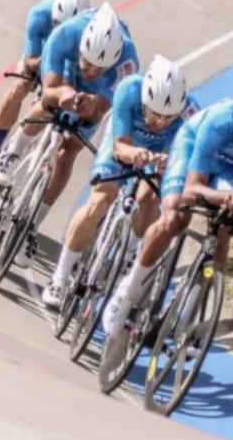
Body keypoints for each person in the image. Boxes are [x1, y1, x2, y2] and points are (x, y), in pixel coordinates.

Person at [101, 76, 233, 338]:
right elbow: (192, 190)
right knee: (175, 216)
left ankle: (187, 318)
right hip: (193, 147)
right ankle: (127, 292)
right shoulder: (218, 123)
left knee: (224, 230)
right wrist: (224, 198)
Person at [42, 55, 201, 307]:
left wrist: (165, 162)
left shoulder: (192, 114)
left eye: (169, 117)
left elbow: (184, 159)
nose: (161, 122)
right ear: (145, 100)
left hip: (161, 150)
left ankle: (130, 251)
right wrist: (134, 153)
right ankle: (59, 277)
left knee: (150, 197)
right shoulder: (129, 90)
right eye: (156, 114)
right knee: (100, 201)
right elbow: (119, 148)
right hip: (125, 141)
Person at [0, 1, 140, 268]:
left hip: (96, 92)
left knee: (69, 150)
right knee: (47, 107)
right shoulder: (66, 34)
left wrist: (93, 104)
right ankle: (11, 153)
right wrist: (64, 94)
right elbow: (49, 90)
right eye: (89, 62)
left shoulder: (128, 64)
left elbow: (102, 111)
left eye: (98, 67)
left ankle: (32, 227)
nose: (91, 70)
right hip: (65, 67)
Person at [0, 0, 90, 178]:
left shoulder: (87, 31)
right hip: (41, 55)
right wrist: (48, 68)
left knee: (60, 102)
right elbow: (31, 60)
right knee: (20, 85)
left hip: (69, 59)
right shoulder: (39, 14)